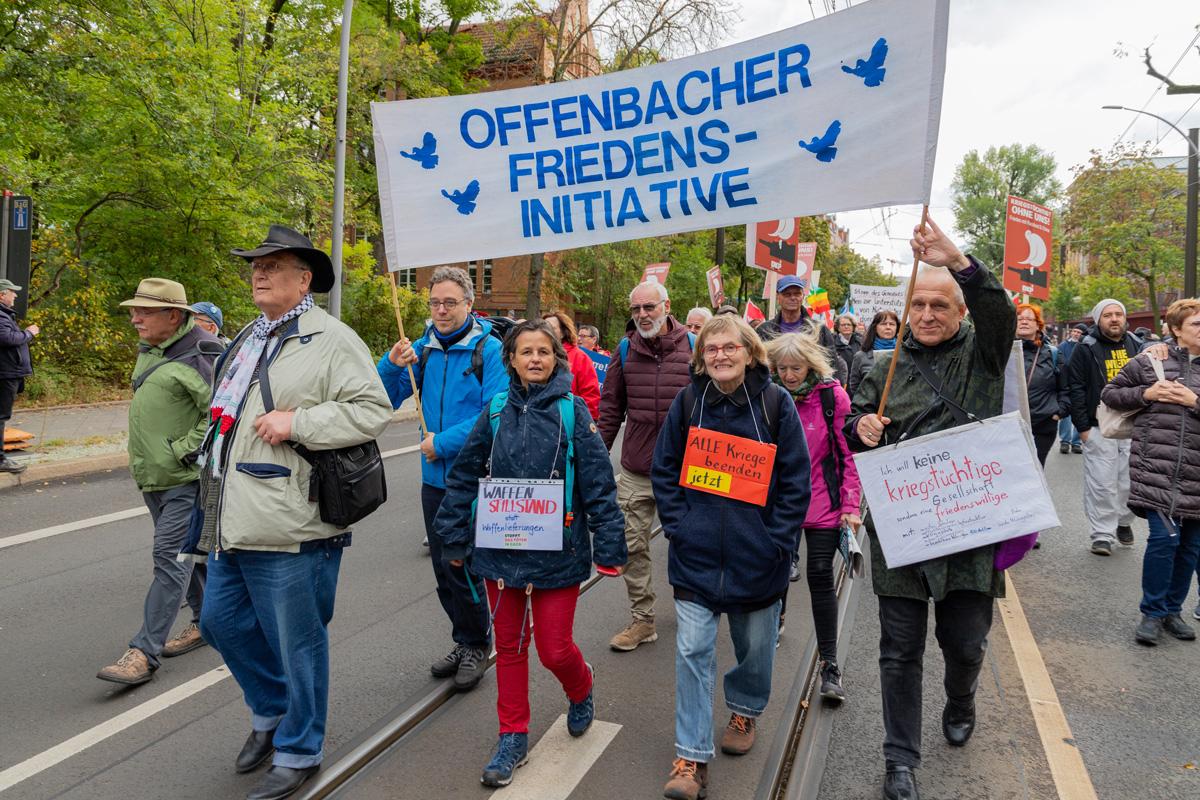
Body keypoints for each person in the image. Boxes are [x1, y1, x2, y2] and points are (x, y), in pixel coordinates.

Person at [194, 225, 392, 800]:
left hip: (293, 519)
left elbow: (372, 409)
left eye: (273, 265)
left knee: (298, 642)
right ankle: (272, 712)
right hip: (234, 516)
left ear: (304, 278)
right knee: (219, 623)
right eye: (255, 264)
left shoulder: (330, 337)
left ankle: (301, 747)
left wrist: (299, 422)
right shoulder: (251, 337)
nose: (258, 272)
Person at [846, 217, 1016, 800]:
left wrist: (962, 264)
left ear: (960, 310)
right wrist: (860, 426)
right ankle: (900, 760)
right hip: (902, 529)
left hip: (970, 530)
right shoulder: (880, 365)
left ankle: (962, 696)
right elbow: (853, 424)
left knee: (965, 642)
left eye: (940, 304)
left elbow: (1002, 315)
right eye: (917, 304)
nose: (927, 314)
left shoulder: (984, 355)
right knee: (898, 650)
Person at [434, 319, 627, 787]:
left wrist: (609, 543)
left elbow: (599, 483)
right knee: (511, 648)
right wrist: (455, 536)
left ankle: (581, 688)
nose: (535, 359)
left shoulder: (573, 412)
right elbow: (463, 475)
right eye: (526, 352)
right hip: (500, 554)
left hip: (557, 554)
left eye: (544, 351)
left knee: (555, 649)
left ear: (556, 358)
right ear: (512, 361)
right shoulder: (497, 410)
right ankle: (512, 735)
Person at [651, 315, 810, 800]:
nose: (720, 355)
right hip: (696, 560)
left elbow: (795, 481)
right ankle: (690, 757)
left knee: (755, 651)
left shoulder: (775, 403)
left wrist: (775, 542)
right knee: (693, 651)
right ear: (702, 357)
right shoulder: (688, 402)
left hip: (757, 560)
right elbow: (664, 469)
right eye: (711, 349)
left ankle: (744, 706)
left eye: (729, 348)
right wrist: (681, 528)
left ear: (749, 352)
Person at [377, 266, 506, 691]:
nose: (442, 311)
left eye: (450, 303)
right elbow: (383, 397)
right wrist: (391, 364)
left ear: (469, 304)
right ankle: (465, 636)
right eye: (435, 303)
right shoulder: (423, 349)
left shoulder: (488, 351)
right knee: (441, 566)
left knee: (461, 563)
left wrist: (444, 443)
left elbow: (495, 413)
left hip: (473, 476)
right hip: (433, 479)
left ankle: (475, 642)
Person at [95, 279, 221, 685]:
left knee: (169, 559)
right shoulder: (153, 349)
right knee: (187, 557)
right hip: (155, 478)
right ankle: (205, 622)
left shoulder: (199, 353)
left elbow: (221, 413)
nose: (134, 318)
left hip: (185, 478)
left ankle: (144, 652)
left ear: (173, 315)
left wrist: (182, 449)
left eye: (143, 311)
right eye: (134, 310)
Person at [597, 279, 695, 652]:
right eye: (636, 309)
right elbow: (610, 411)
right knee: (632, 544)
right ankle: (643, 620)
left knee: (687, 545)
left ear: (667, 306)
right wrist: (596, 459)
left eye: (649, 307)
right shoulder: (624, 351)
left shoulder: (694, 347)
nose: (642, 315)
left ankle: (693, 611)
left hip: (685, 472)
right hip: (637, 469)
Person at [767, 331, 861, 702]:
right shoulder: (768, 395)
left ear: (811, 365)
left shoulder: (831, 397)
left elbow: (847, 453)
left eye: (796, 367)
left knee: (820, 575)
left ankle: (830, 664)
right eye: (782, 368)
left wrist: (851, 504)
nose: (789, 375)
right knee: (775, 571)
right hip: (779, 503)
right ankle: (776, 623)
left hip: (823, 502)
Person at [1101, 298, 1200, 647]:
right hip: (1156, 469)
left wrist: (1194, 401)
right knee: (1164, 540)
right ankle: (1153, 612)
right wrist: (1147, 392)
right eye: (1197, 325)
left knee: (1190, 546)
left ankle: (1173, 610)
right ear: (1176, 330)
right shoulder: (1150, 360)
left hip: (1196, 476)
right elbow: (1111, 393)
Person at [1066, 298, 1146, 556]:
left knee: (1130, 481)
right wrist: (1082, 428)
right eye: (1108, 315)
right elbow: (1076, 387)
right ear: (1098, 320)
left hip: (1134, 425)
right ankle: (1102, 534)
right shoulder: (1085, 348)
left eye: (1118, 314)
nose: (1114, 319)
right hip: (1099, 426)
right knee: (1102, 483)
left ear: (1125, 319)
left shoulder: (1138, 345)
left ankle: (1123, 521)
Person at [756, 275, 847, 384]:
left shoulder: (819, 330)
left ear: (803, 296)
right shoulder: (764, 331)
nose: (793, 297)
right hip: (775, 394)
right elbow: (757, 367)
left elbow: (832, 366)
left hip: (813, 395)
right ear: (778, 297)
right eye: (787, 294)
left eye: (797, 293)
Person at [1016, 304, 1068, 466]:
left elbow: (1066, 388)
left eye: (1029, 319)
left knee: (1035, 472)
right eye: (1020, 318)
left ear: (1038, 325)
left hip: (1042, 425)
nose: (1024, 322)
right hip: (1009, 425)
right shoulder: (1002, 351)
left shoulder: (1052, 353)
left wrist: (1058, 413)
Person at [0, 279, 38, 474]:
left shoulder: (5, 315)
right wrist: (29, 333)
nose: (15, 295)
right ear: (1, 295)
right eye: (12, 292)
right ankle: (0, 461)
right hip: (5, 375)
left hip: (7, 373)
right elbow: (7, 339)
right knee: (1, 416)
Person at [542, 311, 601, 419]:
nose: (545, 331)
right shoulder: (535, 356)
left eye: (551, 328)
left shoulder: (580, 358)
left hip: (568, 423)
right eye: (543, 327)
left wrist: (581, 424)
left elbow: (591, 398)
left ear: (563, 333)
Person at [848, 310, 899, 399]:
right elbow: (855, 387)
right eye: (883, 324)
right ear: (875, 327)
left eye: (892, 324)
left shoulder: (906, 353)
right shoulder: (861, 356)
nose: (888, 327)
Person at [1057, 324, 1086, 453]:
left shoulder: (1085, 346)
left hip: (1082, 385)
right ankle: (1064, 441)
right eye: (1074, 331)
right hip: (1066, 385)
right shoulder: (1063, 346)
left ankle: (1076, 442)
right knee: (1066, 414)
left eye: (1079, 332)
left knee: (1080, 413)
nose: (1075, 334)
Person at [833, 313, 863, 380]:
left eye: (849, 324)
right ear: (838, 328)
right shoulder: (832, 343)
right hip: (840, 381)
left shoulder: (860, 341)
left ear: (853, 327)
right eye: (843, 325)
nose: (846, 327)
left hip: (857, 380)